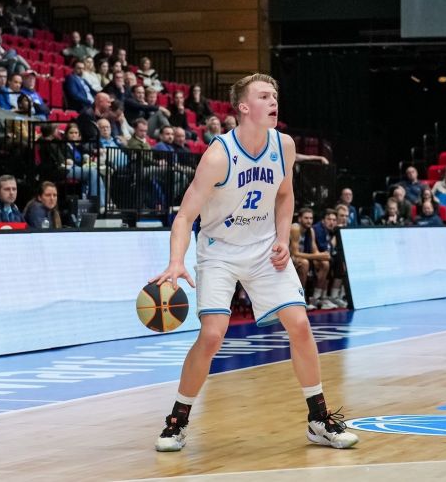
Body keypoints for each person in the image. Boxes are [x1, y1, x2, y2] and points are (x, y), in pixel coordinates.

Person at [151, 74, 358, 452]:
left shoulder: (284, 145)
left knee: (300, 325)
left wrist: (281, 238)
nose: (273, 101)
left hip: (264, 250)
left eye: (274, 95)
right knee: (212, 335)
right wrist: (176, 260)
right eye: (264, 96)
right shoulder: (218, 156)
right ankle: (177, 421)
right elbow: (184, 216)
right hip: (219, 251)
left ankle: (319, 419)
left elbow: (285, 195)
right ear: (244, 107)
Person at [289, 207, 331, 310]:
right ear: (299, 219)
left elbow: (314, 250)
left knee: (325, 263)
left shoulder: (311, 230)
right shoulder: (295, 228)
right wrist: (318, 256)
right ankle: (300, 298)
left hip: (301, 257)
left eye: (311, 218)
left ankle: (315, 298)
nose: (309, 221)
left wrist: (323, 255)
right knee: (305, 263)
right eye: (306, 218)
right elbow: (295, 253)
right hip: (288, 258)